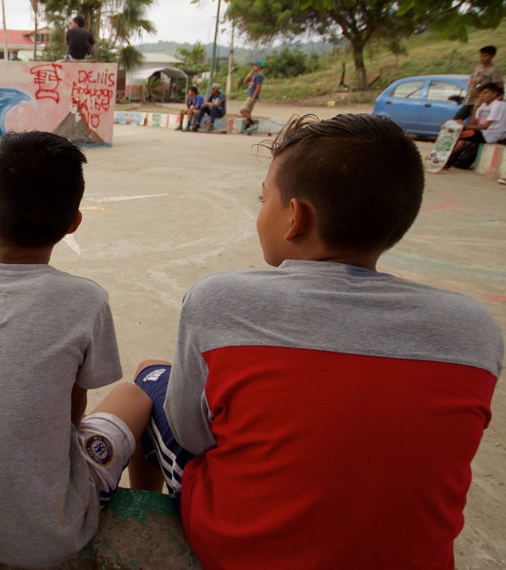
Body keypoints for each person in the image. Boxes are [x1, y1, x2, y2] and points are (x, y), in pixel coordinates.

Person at [125, 114, 502, 569]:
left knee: (149, 378)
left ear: (296, 217)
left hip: (240, 549)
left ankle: (143, 516)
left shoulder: (221, 298)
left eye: (264, 199)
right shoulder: (473, 326)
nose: (260, 210)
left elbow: (192, 434)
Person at [0, 131, 151, 569]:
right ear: (73, 222)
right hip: (50, 533)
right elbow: (72, 415)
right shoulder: (86, 301)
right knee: (139, 393)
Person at [447, 82, 506, 168]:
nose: (482, 95)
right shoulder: (483, 106)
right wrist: (475, 107)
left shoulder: (497, 105)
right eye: (481, 93)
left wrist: (465, 126)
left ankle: (447, 156)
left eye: (485, 93)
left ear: (494, 94)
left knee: (462, 134)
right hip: (482, 133)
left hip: (491, 135)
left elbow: (486, 126)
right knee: (460, 134)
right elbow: (473, 124)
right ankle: (448, 158)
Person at [454, 45, 504, 123]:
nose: (482, 58)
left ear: (492, 56)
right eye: (480, 56)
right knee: (455, 120)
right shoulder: (478, 67)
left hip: (481, 102)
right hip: (470, 100)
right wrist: (467, 94)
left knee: (474, 123)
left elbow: (500, 87)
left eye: (485, 56)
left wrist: (496, 100)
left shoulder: (494, 71)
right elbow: (472, 82)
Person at [239, 61, 265, 133]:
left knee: (242, 110)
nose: (254, 67)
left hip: (252, 96)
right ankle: (247, 128)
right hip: (250, 95)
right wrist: (251, 72)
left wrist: (253, 97)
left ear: (259, 67)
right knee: (247, 112)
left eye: (255, 66)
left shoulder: (260, 75)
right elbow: (245, 80)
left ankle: (252, 123)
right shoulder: (255, 75)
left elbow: (258, 87)